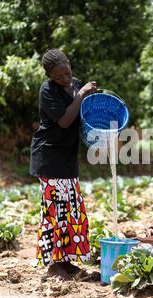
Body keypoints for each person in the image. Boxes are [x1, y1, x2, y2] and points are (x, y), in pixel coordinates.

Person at [30, 48, 98, 277]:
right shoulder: (47, 90)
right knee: (55, 211)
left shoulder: (76, 84)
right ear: (50, 76)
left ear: (69, 64)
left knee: (72, 210)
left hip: (67, 157)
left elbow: (84, 116)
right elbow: (65, 121)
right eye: (58, 77)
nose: (64, 79)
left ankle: (67, 260)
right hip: (49, 156)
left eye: (66, 73)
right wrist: (81, 95)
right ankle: (54, 264)